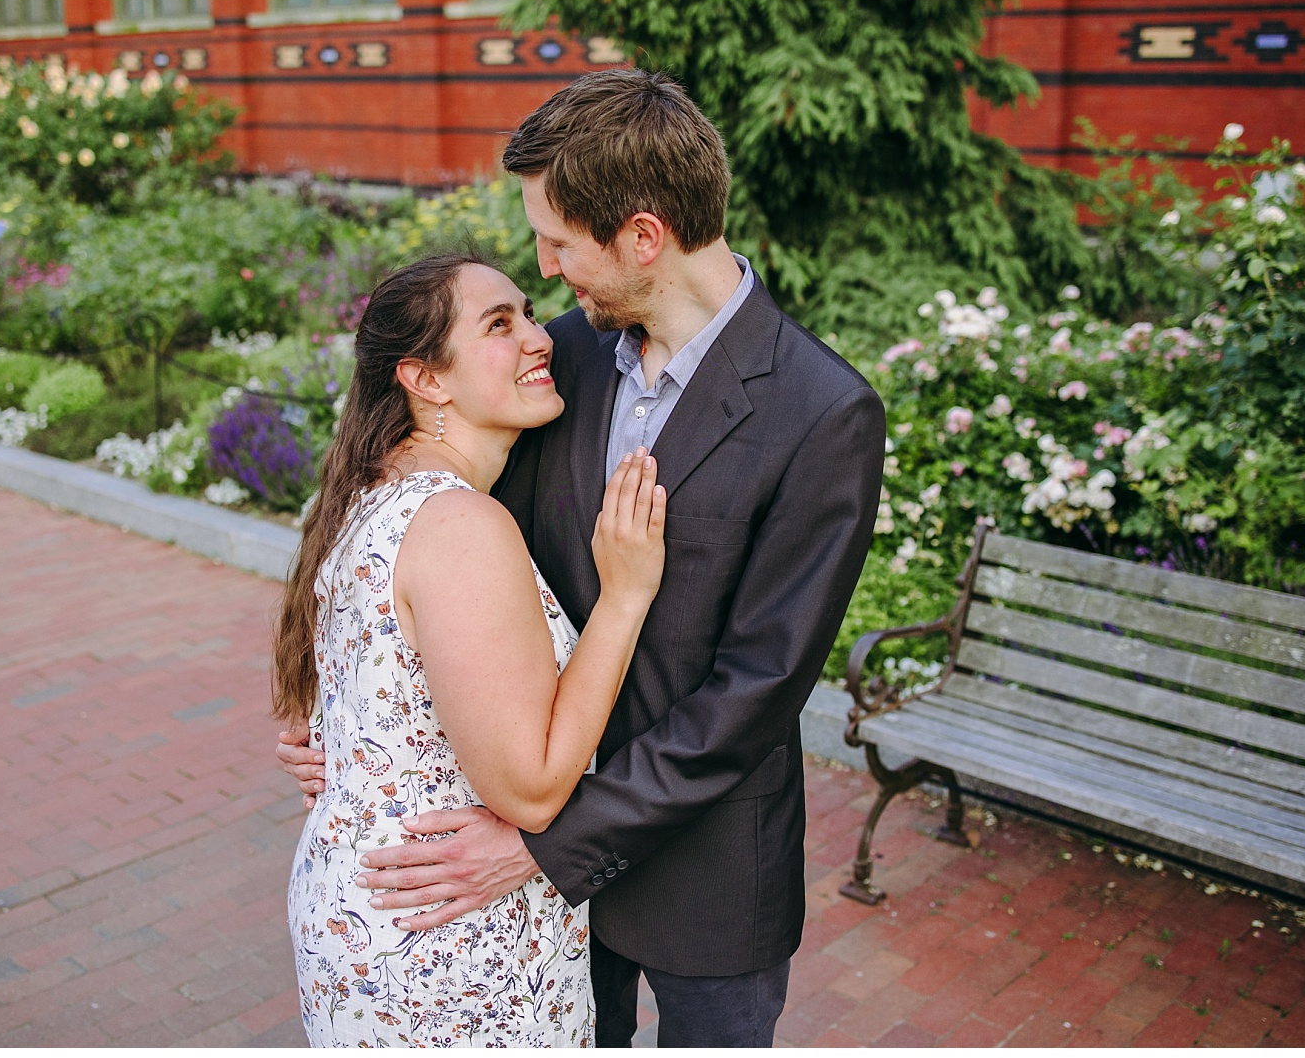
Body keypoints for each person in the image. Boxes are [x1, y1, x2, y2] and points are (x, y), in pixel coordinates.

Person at [280, 69, 885, 1046]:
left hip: (700, 872)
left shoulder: (822, 412)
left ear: (642, 237)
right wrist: (345, 721)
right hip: (522, 896)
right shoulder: (546, 361)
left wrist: (546, 842)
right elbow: (421, 535)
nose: (546, 268)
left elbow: (755, 692)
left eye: (559, 241)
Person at [276, 251, 668, 1046]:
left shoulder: (367, 493)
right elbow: (529, 790)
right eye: (499, 324)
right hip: (448, 947)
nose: (538, 337)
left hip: (375, 916)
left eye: (528, 312)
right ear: (425, 379)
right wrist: (624, 597)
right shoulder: (459, 526)